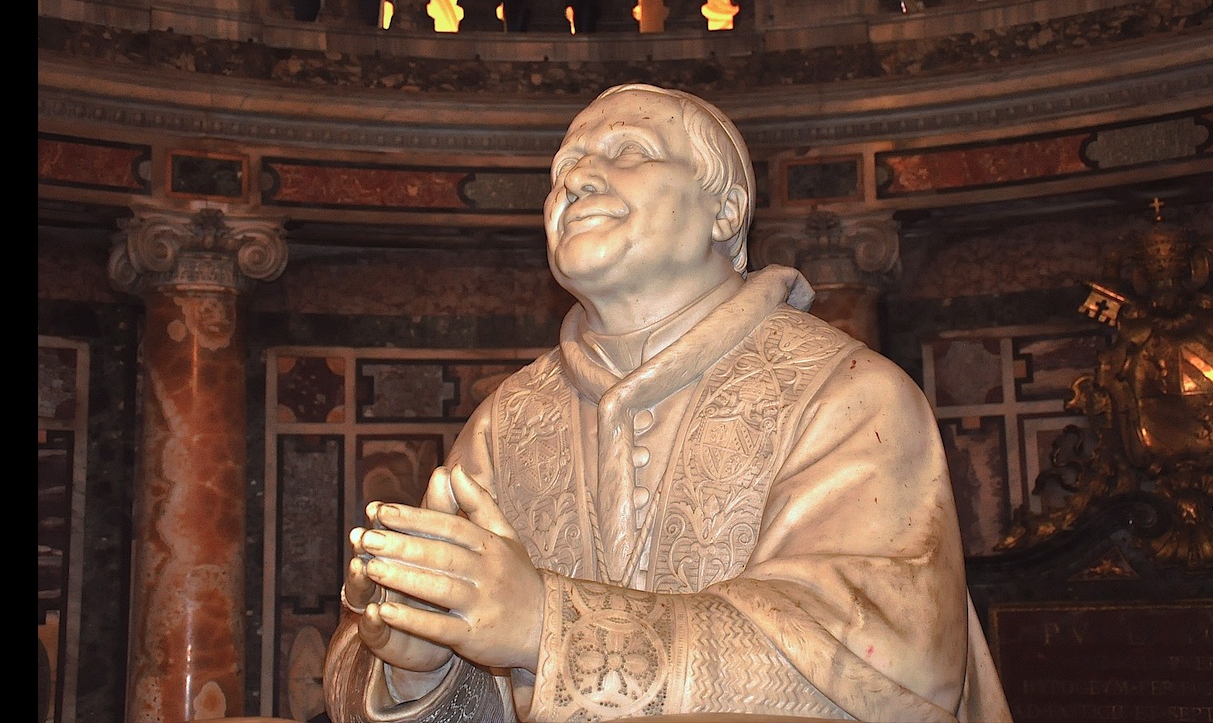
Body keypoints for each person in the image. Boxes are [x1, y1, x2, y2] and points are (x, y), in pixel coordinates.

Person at [323, 84, 1012, 722]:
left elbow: (895, 670)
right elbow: (374, 670)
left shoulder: (848, 393)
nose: (576, 180)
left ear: (726, 210)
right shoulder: (507, 425)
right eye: (564, 167)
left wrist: (547, 623)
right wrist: (421, 669)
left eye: (628, 152)